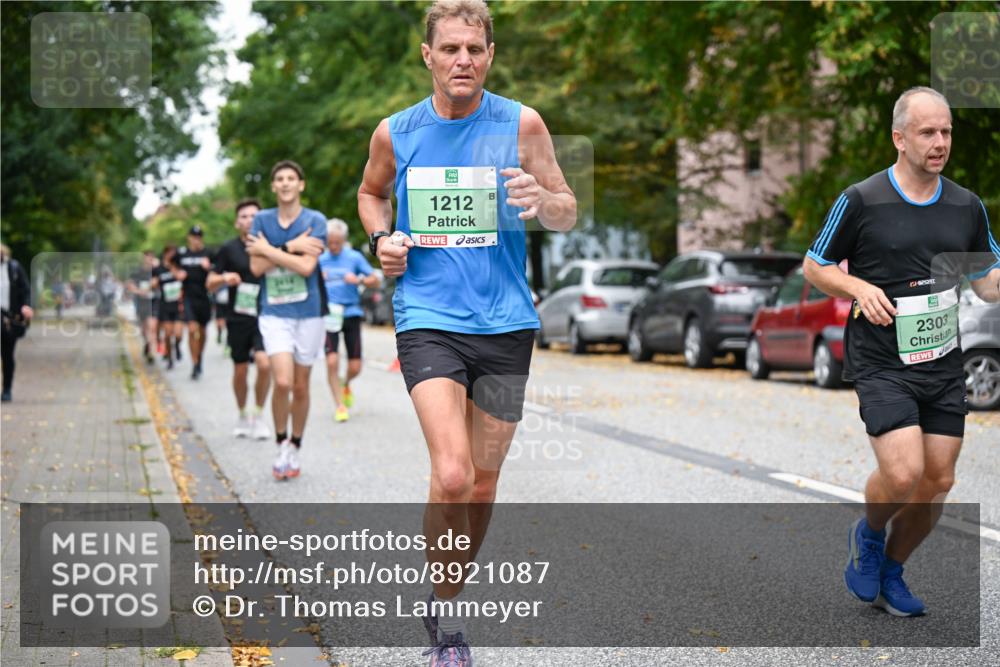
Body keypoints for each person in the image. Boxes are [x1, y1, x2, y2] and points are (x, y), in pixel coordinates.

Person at [357, 1, 576, 662]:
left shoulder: (521, 123)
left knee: (482, 482)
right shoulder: (396, 132)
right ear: (427, 55)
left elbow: (566, 208)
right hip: (428, 318)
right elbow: (371, 194)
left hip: (507, 324)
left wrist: (543, 201)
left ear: (490, 55)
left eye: (474, 50)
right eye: (450, 49)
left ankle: (443, 599)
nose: (463, 61)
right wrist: (381, 240)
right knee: (452, 474)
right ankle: (449, 624)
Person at [803, 87, 1000, 618]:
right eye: (927, 132)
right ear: (899, 138)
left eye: (947, 132)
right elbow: (815, 266)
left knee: (938, 480)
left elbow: (987, 283)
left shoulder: (966, 206)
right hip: (881, 361)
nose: (940, 143)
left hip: (942, 361)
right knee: (903, 472)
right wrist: (857, 287)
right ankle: (868, 534)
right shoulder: (862, 199)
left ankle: (892, 568)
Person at [248, 160, 328, 480]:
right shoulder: (261, 220)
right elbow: (256, 269)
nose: (284, 183)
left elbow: (307, 268)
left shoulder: (315, 220)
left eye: (290, 178)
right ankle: (281, 442)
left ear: (301, 184)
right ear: (273, 186)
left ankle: (295, 445)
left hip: (309, 313)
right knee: (282, 381)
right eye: (279, 178)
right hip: (274, 312)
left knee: (300, 386)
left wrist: (269, 250)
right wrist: (291, 246)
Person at [207, 198, 272, 440]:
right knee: (240, 369)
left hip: (266, 315)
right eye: (244, 216)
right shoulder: (228, 249)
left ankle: (259, 414)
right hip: (238, 316)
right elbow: (210, 283)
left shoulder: (270, 245)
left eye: (254, 216)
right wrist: (224, 278)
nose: (249, 220)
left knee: (264, 364)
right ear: (237, 223)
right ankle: (243, 414)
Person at [318, 218, 380, 423]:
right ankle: (340, 406)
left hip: (351, 313)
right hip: (329, 315)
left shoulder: (354, 257)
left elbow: (375, 280)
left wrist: (359, 279)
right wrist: (317, 278)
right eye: (330, 242)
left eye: (337, 242)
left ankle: (345, 383)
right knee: (332, 361)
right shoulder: (320, 259)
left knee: (355, 367)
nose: (333, 246)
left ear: (344, 240)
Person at [1, 243, 34, 402]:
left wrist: (26, 306)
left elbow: (26, 289)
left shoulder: (13, 268)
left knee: (7, 355)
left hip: (9, 318)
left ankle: (7, 389)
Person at [153, 245, 185, 369]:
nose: (172, 255)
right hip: (165, 305)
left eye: (174, 253)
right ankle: (170, 358)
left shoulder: (179, 267)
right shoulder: (158, 269)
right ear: (165, 254)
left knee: (178, 334)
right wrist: (154, 283)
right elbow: (153, 283)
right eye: (170, 253)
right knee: (167, 334)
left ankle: (177, 345)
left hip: (178, 305)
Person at [126, 251, 160, 364]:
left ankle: (151, 353)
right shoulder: (137, 272)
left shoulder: (157, 271)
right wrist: (139, 291)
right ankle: (147, 343)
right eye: (147, 257)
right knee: (144, 329)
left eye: (151, 258)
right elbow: (130, 285)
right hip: (141, 303)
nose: (149, 260)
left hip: (154, 302)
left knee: (152, 327)